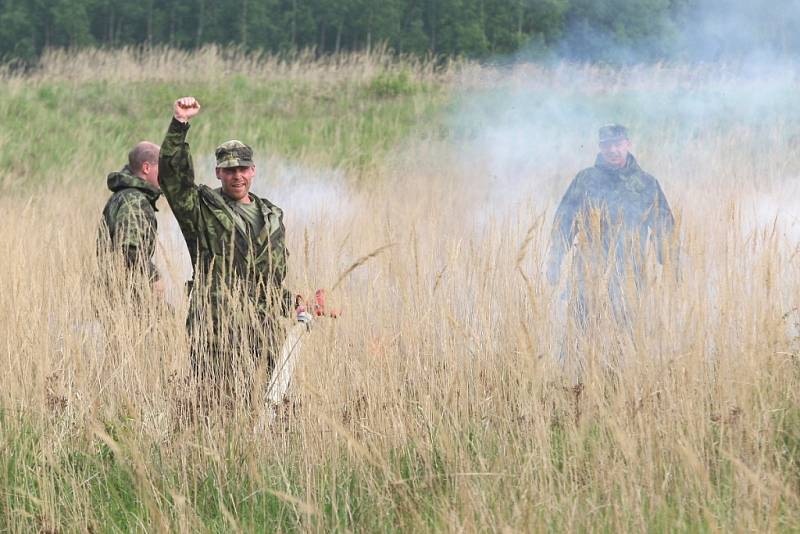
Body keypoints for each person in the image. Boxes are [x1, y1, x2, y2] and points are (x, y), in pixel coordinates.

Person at [159, 96, 303, 407]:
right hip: (216, 328)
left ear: (253, 171)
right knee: (212, 403)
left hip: (263, 330)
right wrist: (179, 125)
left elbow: (268, 281)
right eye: (229, 170)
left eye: (242, 169)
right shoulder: (202, 209)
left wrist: (294, 303)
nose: (237, 176)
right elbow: (172, 179)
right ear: (218, 173)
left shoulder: (272, 216)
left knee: (269, 403)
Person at [546, 124, 675, 327]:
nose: (613, 150)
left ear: (628, 144)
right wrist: (555, 259)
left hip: (630, 274)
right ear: (600, 147)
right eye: (607, 145)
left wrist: (672, 264)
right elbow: (564, 222)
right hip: (588, 273)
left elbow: (664, 227)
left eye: (618, 144)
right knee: (582, 336)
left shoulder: (646, 183)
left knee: (627, 337)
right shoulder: (585, 180)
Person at [97, 141, 163, 290]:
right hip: (127, 293)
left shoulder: (122, 195)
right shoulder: (135, 201)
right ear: (146, 168)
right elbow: (129, 249)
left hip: (112, 289)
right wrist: (154, 279)